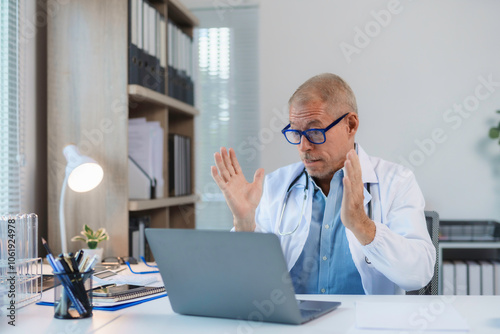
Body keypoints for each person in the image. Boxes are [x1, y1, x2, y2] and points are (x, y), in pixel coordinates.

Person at [211, 73, 436, 295]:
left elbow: (418, 274)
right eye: (296, 133)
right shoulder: (274, 186)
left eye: (315, 131)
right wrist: (244, 224)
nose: (303, 146)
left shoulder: (397, 181)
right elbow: (247, 281)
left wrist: (361, 224)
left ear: (350, 124)